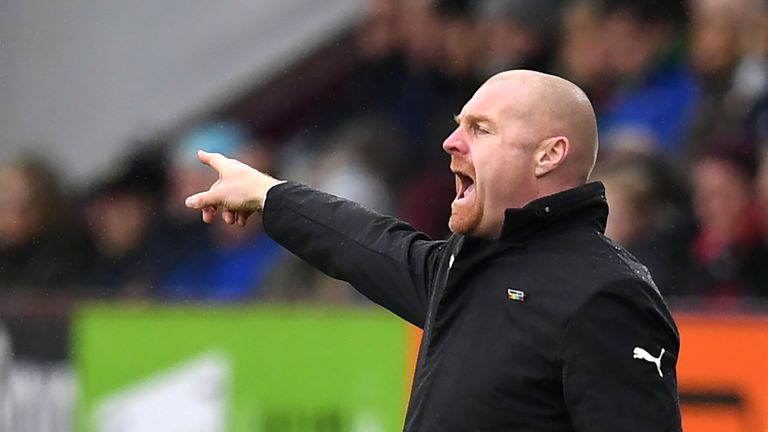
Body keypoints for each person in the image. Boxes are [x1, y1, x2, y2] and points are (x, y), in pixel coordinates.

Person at [184, 70, 682, 431]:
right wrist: (268, 195)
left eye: (480, 129)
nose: (450, 143)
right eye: (458, 125)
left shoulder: (607, 292)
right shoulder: (464, 266)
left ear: (549, 154)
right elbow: (365, 243)